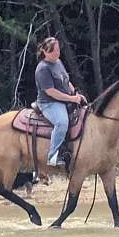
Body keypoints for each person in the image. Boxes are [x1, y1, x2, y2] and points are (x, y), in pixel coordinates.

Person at [34, 36, 83, 167]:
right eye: (53, 51)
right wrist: (71, 98)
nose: (56, 53)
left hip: (65, 99)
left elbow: (66, 81)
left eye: (57, 50)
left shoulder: (58, 62)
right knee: (62, 122)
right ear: (44, 51)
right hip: (49, 103)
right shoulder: (43, 68)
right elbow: (51, 92)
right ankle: (53, 156)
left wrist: (75, 94)